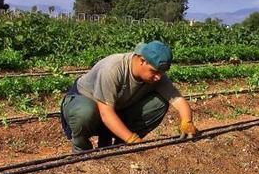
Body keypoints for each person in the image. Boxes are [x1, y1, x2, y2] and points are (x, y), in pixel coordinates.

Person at [60, 40, 199, 152]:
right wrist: (132, 139)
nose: (158, 77)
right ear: (142, 60)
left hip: (116, 107)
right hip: (85, 100)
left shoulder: (158, 75)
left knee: (159, 103)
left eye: (161, 73)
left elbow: (179, 101)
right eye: (154, 72)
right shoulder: (113, 69)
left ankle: (121, 146)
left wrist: (187, 121)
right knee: (85, 113)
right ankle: (81, 151)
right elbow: (106, 114)